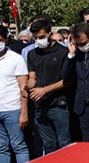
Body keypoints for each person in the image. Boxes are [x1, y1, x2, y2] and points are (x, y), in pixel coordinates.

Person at [26, 19, 71, 154]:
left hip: (58, 104)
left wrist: (45, 90)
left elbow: (67, 81)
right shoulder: (32, 54)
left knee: (64, 143)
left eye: (41, 37)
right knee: (49, 144)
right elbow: (32, 77)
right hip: (40, 105)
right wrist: (27, 87)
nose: (39, 41)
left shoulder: (63, 52)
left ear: (50, 34)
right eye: (35, 38)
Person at [0, 25, 29, 163]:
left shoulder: (16, 59)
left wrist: (24, 113)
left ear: (6, 40)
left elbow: (23, 88)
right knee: (0, 147)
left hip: (12, 110)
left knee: (19, 146)